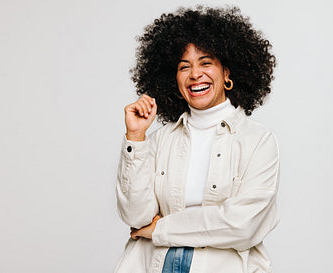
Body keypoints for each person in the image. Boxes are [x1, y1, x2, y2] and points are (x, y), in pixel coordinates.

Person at [115, 6, 279, 273]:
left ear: (227, 72)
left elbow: (243, 225)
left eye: (206, 63)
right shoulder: (158, 140)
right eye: (184, 67)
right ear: (175, 80)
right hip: (154, 265)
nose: (195, 75)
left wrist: (161, 229)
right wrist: (136, 136)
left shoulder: (257, 141)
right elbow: (135, 218)